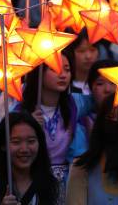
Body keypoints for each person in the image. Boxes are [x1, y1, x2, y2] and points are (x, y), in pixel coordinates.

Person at [0, 111, 60, 204]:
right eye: (16, 142)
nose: (24, 149)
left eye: (31, 141)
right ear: (3, 145)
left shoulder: (52, 185)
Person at [20, 55, 77, 188]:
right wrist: (28, 125)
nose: (63, 75)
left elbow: (104, 99)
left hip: (67, 186)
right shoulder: (20, 109)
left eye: (67, 70)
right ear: (39, 73)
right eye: (54, 69)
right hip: (33, 182)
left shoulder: (73, 104)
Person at [65, 30, 99, 95]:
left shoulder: (101, 86)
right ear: (70, 53)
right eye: (81, 51)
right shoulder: (64, 85)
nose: (88, 56)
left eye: (92, 50)